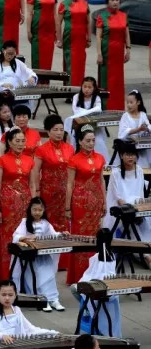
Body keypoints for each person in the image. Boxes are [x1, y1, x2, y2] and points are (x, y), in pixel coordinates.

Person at [0, 128, 35, 284]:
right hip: (7, 207)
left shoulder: (29, 160)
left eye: (23, 141)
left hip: (25, 206)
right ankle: (5, 276)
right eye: (17, 141)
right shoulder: (1, 160)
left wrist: (35, 207)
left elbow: (32, 185)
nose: (20, 144)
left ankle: (23, 277)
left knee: (24, 238)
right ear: (9, 142)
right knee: (7, 239)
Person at [66, 125, 107, 284]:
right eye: (88, 141)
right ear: (80, 142)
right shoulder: (74, 159)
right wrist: (67, 207)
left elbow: (101, 181)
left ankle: (93, 273)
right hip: (80, 203)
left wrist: (104, 201)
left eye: (93, 140)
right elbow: (70, 184)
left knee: (95, 237)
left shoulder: (100, 158)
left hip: (96, 202)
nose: (91, 143)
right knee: (80, 237)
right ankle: (78, 275)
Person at [10, 197, 65, 311]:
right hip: (31, 257)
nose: (37, 212)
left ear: (44, 210)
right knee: (39, 275)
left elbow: (53, 235)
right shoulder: (25, 222)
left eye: (40, 210)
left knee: (49, 275)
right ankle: (43, 299)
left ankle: (54, 299)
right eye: (34, 210)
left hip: (43, 256)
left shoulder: (45, 223)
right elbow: (15, 236)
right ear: (30, 210)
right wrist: (26, 237)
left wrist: (62, 235)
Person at [32, 114, 74, 252]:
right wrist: (36, 191)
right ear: (48, 131)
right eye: (55, 130)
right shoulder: (41, 150)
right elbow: (35, 171)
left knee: (64, 222)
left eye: (61, 130)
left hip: (66, 192)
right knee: (49, 223)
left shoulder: (69, 148)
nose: (59, 133)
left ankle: (64, 258)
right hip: (48, 193)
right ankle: (48, 251)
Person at [106, 142, 151, 262]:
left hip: (137, 207)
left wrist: (141, 209)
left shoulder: (139, 170)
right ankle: (145, 255)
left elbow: (141, 193)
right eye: (127, 154)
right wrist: (130, 209)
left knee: (147, 223)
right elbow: (118, 198)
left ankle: (146, 251)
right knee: (132, 224)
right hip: (121, 210)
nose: (131, 157)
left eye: (133, 155)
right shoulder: (115, 173)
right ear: (121, 155)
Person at [76, 228, 121, 337]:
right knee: (80, 289)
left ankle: (89, 315)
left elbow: (94, 276)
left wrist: (84, 282)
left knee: (76, 289)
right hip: (105, 287)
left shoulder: (102, 257)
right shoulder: (111, 255)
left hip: (100, 290)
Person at [95, 0, 131, 111]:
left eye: (117, 0)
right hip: (106, 51)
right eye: (112, 0)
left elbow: (126, 33)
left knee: (118, 80)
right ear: (107, 2)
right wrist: (99, 53)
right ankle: (105, 105)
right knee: (106, 79)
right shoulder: (102, 16)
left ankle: (118, 106)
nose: (115, 2)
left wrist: (128, 49)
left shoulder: (123, 15)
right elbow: (98, 37)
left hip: (118, 51)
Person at [56, 0, 91, 88]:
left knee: (80, 63)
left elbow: (88, 22)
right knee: (70, 62)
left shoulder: (85, 3)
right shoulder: (64, 4)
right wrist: (59, 39)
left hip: (81, 37)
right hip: (69, 37)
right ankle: (70, 90)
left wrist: (88, 38)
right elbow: (58, 22)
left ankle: (80, 88)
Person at [65, 77, 107, 157]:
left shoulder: (96, 98)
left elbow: (98, 110)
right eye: (84, 87)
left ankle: (99, 159)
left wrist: (84, 112)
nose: (86, 89)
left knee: (99, 141)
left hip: (94, 125)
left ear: (94, 88)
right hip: (79, 125)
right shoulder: (76, 97)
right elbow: (76, 111)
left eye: (89, 87)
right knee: (75, 140)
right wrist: (91, 111)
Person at [26, 0, 57, 71]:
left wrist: (57, 31)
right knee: (37, 55)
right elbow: (30, 14)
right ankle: (37, 81)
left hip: (50, 30)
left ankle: (46, 82)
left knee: (48, 56)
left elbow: (55, 13)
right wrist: (29, 31)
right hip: (38, 28)